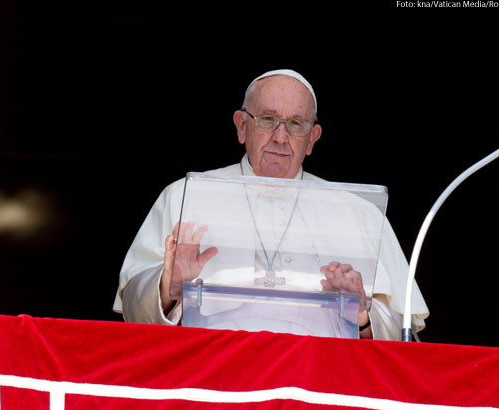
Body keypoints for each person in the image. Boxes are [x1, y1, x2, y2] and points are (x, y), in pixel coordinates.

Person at [113, 69, 429, 340]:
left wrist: (361, 314)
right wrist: (170, 285)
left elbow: (404, 332)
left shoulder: (360, 213)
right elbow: (133, 309)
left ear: (313, 138)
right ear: (241, 126)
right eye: (267, 119)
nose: (280, 137)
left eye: (295, 124)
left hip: (317, 378)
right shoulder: (185, 195)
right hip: (216, 373)